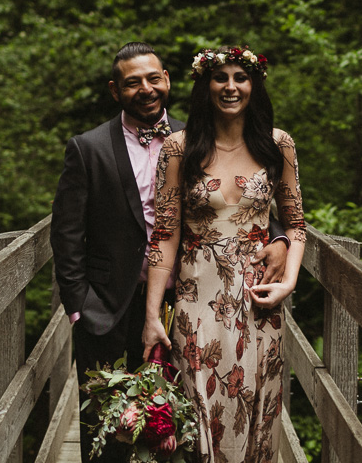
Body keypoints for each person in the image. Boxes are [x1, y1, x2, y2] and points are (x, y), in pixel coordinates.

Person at [50, 42, 289, 463]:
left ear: (168, 80)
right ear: (114, 90)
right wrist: (79, 308)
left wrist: (281, 240)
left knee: (180, 425)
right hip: (107, 305)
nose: (146, 89)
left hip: (190, 302)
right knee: (104, 432)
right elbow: (67, 235)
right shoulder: (88, 148)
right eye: (132, 82)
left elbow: (242, 203)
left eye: (153, 78)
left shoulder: (198, 136)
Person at [142, 44, 306, 463]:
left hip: (259, 303)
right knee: (199, 415)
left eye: (240, 77)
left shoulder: (278, 144)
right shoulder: (179, 148)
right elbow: (164, 234)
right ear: (205, 85)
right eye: (221, 78)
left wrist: (287, 281)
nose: (231, 87)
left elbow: (296, 224)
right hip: (198, 302)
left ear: (254, 85)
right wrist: (151, 315)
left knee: (255, 411)